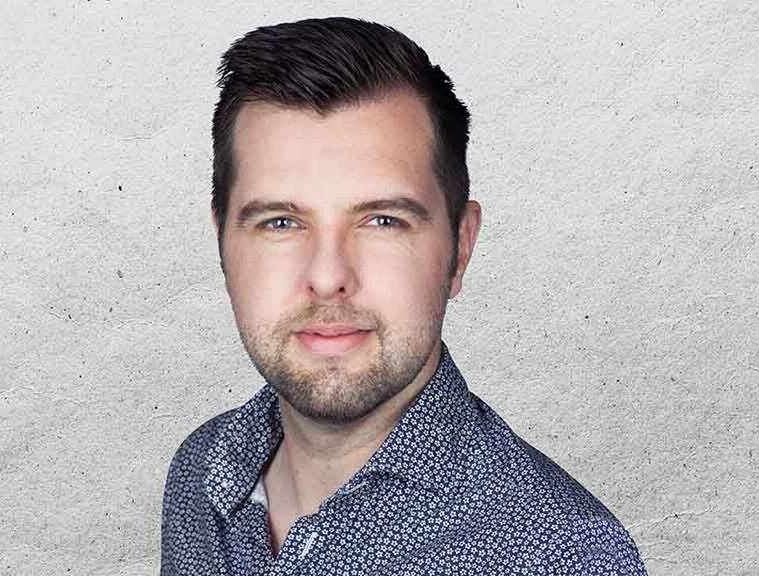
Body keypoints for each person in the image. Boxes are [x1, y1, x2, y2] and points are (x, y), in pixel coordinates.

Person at [160, 16, 646, 576]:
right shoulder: (202, 470)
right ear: (223, 243)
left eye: (383, 221)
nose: (328, 276)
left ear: (460, 248)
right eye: (280, 223)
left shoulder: (562, 554)